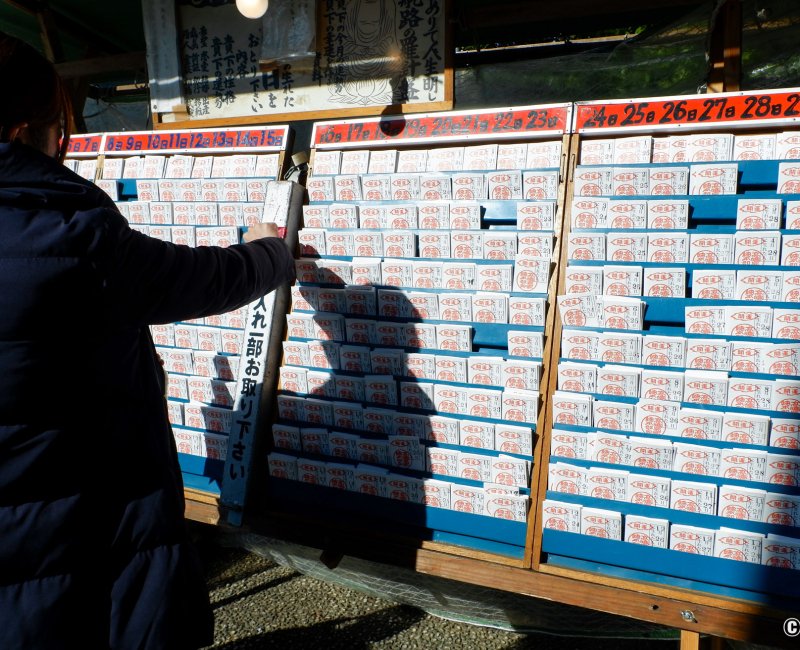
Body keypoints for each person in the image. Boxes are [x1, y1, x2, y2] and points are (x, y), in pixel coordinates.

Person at [0, 32, 295, 649]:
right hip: (79, 518)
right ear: (27, 133)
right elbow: (199, 279)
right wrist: (271, 250)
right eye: (60, 128)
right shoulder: (68, 236)